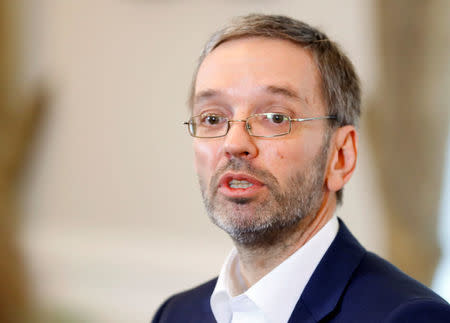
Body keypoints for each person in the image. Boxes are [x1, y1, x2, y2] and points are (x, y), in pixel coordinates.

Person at [152, 14, 450, 323]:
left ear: (340, 157)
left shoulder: (411, 317)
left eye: (277, 118)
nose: (234, 143)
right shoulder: (175, 314)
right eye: (212, 118)